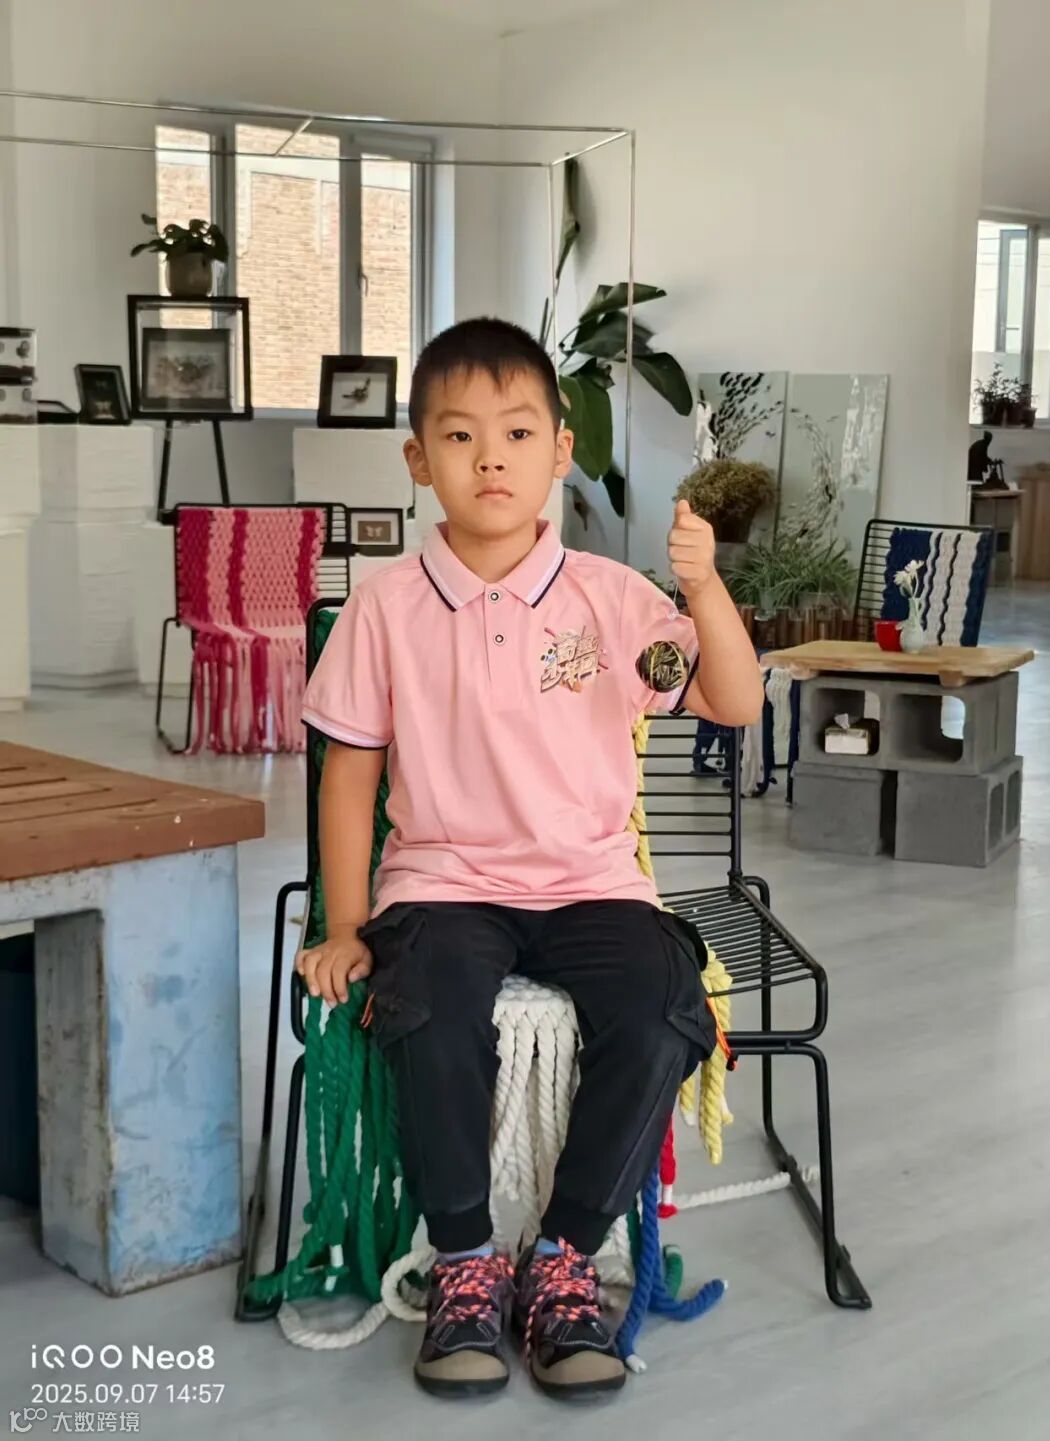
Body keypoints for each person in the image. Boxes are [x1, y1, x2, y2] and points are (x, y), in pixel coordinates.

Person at [297, 318, 763, 1401]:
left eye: (516, 432)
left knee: (663, 1005)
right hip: (443, 885)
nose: (490, 458)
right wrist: (346, 926)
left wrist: (704, 589)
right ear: (419, 458)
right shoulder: (386, 606)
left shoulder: (611, 598)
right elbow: (350, 776)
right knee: (429, 1005)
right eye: (459, 435)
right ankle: (465, 1260)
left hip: (592, 882)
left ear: (561, 449)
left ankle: (563, 1257)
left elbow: (732, 701)